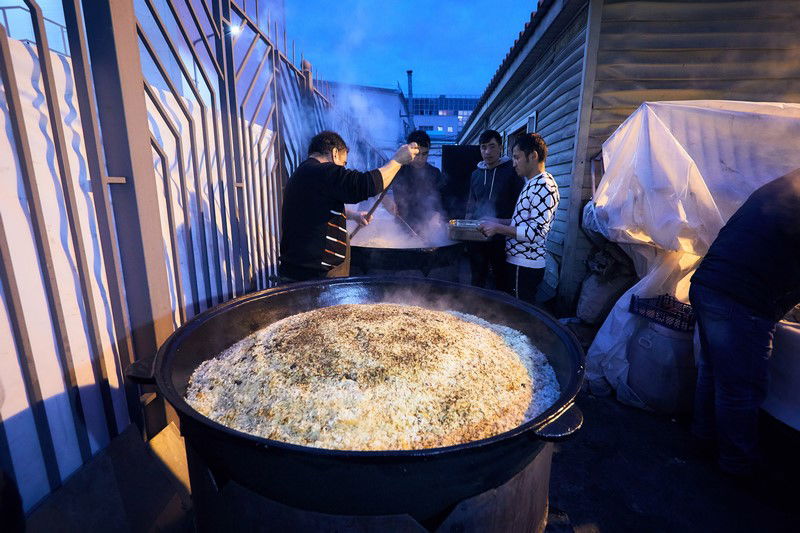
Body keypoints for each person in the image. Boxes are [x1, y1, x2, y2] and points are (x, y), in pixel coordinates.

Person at [689, 168, 800, 477]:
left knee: (713, 373)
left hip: (709, 284)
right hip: (739, 298)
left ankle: (702, 439)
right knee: (741, 388)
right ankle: (737, 464)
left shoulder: (781, 186)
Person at [279, 131, 418, 281]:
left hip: (297, 272)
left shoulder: (303, 173)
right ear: (334, 153)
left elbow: (317, 207)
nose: (343, 169)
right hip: (315, 277)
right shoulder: (324, 170)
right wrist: (397, 161)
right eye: (344, 163)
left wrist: (353, 215)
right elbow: (365, 185)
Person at [477, 133, 558, 304]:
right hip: (518, 263)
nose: (513, 163)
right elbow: (520, 222)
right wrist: (496, 221)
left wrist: (498, 229)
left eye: (516, 157)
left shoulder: (544, 185)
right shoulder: (532, 183)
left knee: (519, 312)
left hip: (525, 265)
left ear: (533, 156)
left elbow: (536, 233)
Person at [465, 130, 524, 292]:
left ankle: (500, 306)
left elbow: (519, 206)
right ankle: (476, 305)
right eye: (483, 147)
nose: (487, 152)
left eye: (492, 146)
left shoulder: (512, 172)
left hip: (502, 237)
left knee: (502, 280)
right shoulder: (475, 174)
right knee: (477, 279)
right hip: (477, 236)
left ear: (500, 147)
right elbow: (471, 204)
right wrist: (466, 232)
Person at [382, 130, 446, 234]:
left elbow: (441, 201)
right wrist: (386, 201)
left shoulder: (434, 172)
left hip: (427, 228)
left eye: (425, 154)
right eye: (417, 154)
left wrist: (437, 215)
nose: (420, 159)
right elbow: (377, 188)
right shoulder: (397, 169)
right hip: (401, 227)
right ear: (409, 151)